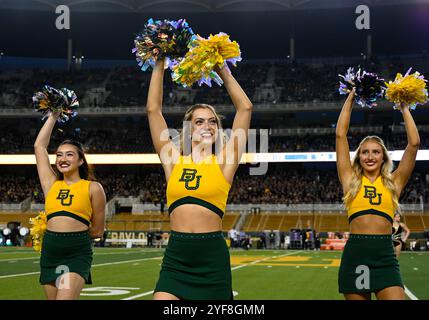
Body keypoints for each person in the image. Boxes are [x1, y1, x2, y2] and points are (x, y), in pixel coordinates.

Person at [148, 58, 252, 300]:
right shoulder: (173, 160)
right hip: (176, 258)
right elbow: (153, 110)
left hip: (211, 259)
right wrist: (158, 62)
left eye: (212, 121)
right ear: (188, 129)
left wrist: (221, 68)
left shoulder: (225, 162)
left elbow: (245, 108)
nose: (207, 126)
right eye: (199, 121)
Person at [336, 88, 419, 300]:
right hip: (356, 253)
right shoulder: (350, 180)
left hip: (385, 255)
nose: (370, 156)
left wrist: (403, 108)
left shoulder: (394, 182)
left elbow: (414, 144)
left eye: (376, 151)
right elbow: (340, 135)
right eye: (365, 152)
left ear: (383, 157)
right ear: (359, 157)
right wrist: (351, 98)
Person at [34, 111, 106, 300]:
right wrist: (54, 115)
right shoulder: (51, 184)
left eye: (69, 155)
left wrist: (71, 235)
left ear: (81, 160)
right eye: (59, 155)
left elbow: (98, 231)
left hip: (76, 253)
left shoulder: (93, 188)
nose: (63, 159)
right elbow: (39, 146)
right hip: (50, 251)